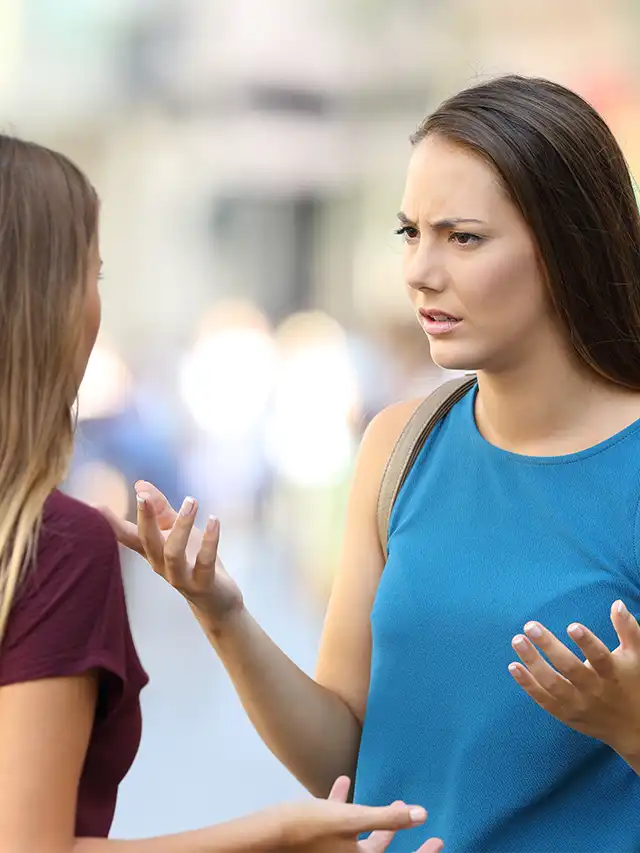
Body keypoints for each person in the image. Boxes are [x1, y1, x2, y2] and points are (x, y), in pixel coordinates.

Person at [108, 72, 640, 852]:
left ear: (566, 244)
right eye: (409, 232)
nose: (420, 270)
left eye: (462, 237)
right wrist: (221, 610)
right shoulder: (401, 444)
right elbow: (341, 761)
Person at [0, 134, 444, 853]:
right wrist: (279, 833)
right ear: (43, 300)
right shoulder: (51, 543)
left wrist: (221, 610)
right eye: (95, 275)